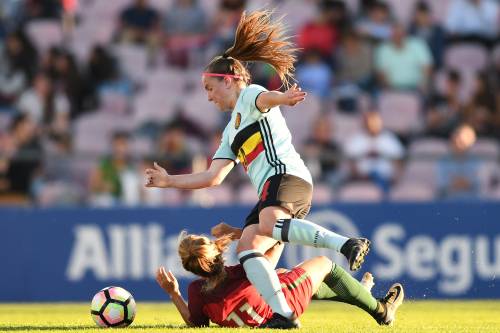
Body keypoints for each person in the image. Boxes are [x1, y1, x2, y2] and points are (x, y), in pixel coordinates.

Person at [145, 10, 371, 329]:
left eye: (210, 89)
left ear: (230, 81)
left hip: (286, 176)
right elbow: (213, 177)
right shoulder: (230, 131)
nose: (208, 98)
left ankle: (344, 244)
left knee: (266, 221)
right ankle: (284, 315)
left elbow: (266, 98)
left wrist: (284, 97)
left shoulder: (248, 96)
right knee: (247, 248)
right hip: (270, 189)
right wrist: (169, 182)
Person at [155, 229, 404, 328]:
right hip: (279, 312)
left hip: (262, 316)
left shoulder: (197, 291)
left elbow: (195, 324)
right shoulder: (243, 271)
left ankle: (359, 293)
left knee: (285, 275)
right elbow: (272, 254)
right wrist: (280, 230)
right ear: (216, 251)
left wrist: (173, 293)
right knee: (324, 265)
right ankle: (381, 310)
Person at [437, 124, 480, 199]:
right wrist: (455, 184)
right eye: (456, 140)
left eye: (462, 141)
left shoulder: (475, 161)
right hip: (448, 202)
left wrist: (466, 183)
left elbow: (478, 183)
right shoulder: (443, 161)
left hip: (472, 202)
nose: (459, 144)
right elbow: (441, 186)